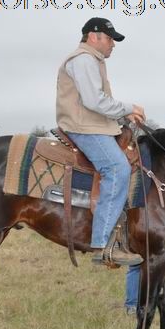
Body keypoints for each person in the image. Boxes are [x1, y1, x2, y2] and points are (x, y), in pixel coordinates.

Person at [56, 17, 145, 266]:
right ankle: (103, 243)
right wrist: (127, 108)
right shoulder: (84, 60)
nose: (112, 45)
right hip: (83, 127)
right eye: (109, 39)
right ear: (93, 36)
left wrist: (122, 116)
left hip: (93, 124)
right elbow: (94, 101)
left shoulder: (91, 61)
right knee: (117, 168)